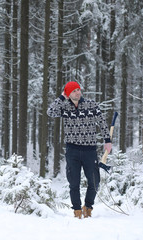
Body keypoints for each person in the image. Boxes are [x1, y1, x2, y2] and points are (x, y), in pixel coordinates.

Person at [47, 81, 112, 219]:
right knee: (74, 182)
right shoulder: (64, 106)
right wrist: (61, 97)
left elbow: (102, 122)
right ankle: (77, 210)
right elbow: (50, 112)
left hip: (90, 150)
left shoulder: (91, 105)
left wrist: (107, 141)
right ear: (68, 93)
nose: (78, 92)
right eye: (74, 90)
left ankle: (88, 207)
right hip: (72, 151)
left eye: (78, 89)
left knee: (94, 182)